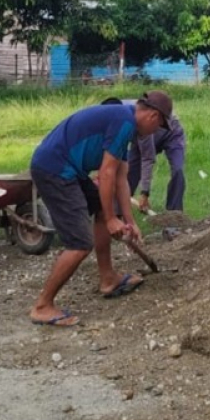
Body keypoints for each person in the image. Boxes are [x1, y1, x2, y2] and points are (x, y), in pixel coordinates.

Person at [27, 92, 174, 326]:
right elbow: (105, 173)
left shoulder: (125, 125)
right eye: (159, 125)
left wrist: (128, 220)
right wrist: (110, 219)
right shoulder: (124, 121)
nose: (156, 131)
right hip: (54, 168)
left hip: (68, 168)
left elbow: (120, 178)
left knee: (100, 208)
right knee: (79, 243)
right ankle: (43, 306)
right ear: (153, 115)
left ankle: (108, 279)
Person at [101, 95, 187, 212]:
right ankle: (119, 210)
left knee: (178, 170)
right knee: (130, 172)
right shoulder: (111, 113)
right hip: (141, 136)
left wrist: (144, 193)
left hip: (171, 134)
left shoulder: (141, 118)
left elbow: (147, 158)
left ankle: (174, 212)